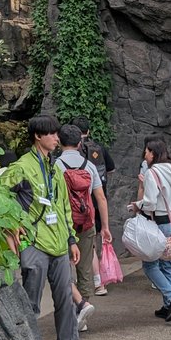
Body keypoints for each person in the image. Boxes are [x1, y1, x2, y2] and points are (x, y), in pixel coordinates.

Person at [2, 114, 92, 340]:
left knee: (65, 300)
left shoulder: (55, 168)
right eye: (51, 134)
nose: (56, 138)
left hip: (59, 246)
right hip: (34, 244)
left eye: (56, 134)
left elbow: (63, 207)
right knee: (30, 302)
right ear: (37, 136)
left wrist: (71, 240)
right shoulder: (21, 167)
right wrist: (12, 223)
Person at [55, 123, 112, 312]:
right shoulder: (89, 166)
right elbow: (100, 198)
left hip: (62, 224)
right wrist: (105, 227)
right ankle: (83, 308)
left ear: (59, 143)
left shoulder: (55, 166)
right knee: (85, 268)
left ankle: (72, 308)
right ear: (80, 144)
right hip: (86, 223)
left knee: (61, 266)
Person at [131, 138, 171, 322]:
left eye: (146, 151)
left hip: (161, 222)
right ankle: (168, 306)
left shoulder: (151, 172)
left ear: (153, 153)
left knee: (149, 265)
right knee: (167, 263)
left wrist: (136, 205)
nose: (144, 154)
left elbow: (151, 202)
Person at [74, 116, 116, 296]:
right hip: (99, 200)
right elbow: (111, 169)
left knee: (86, 244)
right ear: (88, 131)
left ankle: (95, 282)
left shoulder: (74, 151)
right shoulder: (99, 148)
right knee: (97, 240)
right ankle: (100, 284)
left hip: (81, 204)